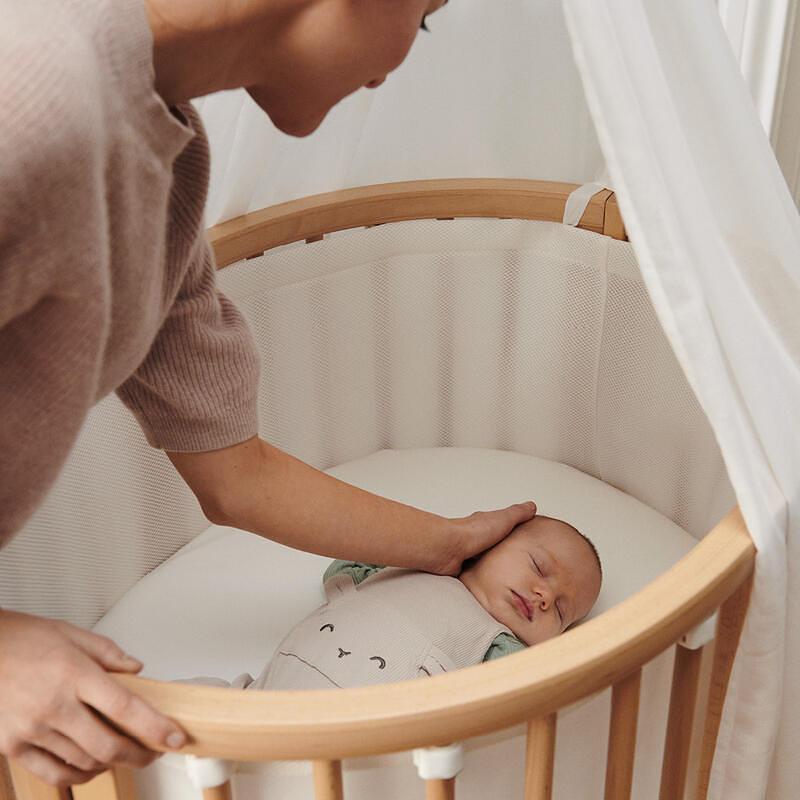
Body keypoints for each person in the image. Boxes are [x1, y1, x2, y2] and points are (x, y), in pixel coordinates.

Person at [0, 0, 537, 789]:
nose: (394, 67)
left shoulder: (165, 161)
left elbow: (234, 472)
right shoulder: (40, 102)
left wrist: (447, 545)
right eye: (421, 17)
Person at [188, 516, 602, 691]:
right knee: (178, 711)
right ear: (488, 544)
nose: (544, 596)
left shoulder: (499, 646)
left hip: (360, 746)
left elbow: (523, 689)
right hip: (258, 699)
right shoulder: (409, 568)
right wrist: (433, 544)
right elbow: (343, 565)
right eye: (537, 566)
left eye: (563, 612)